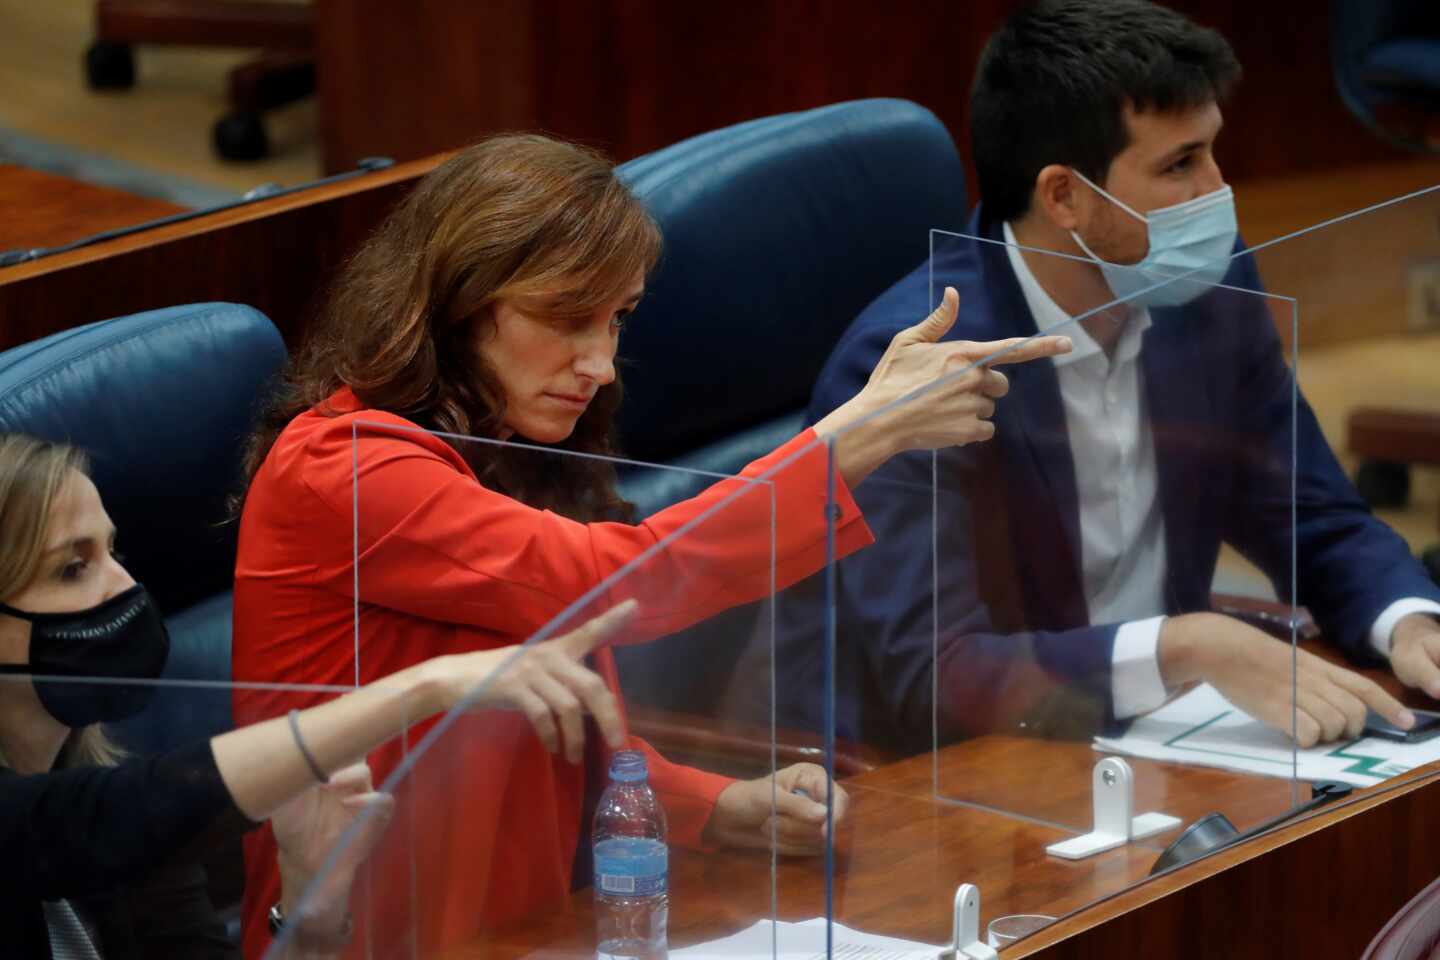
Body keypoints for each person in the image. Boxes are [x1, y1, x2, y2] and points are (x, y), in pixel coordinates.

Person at [229, 133, 1069, 956]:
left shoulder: (504, 442)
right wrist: (852, 438)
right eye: (565, 317)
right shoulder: (338, 467)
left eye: (618, 318)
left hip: (526, 925)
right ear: (456, 299)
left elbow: (552, 725)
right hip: (363, 935)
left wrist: (713, 804)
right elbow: (611, 583)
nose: (599, 362)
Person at [780, 0, 1440, 756]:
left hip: (1171, 735)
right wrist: (1182, 647)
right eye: (1180, 165)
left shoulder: (1209, 291)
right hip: (963, 772)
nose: (1219, 194)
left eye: (1213, 152)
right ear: (1064, 196)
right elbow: (934, 675)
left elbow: (1311, 513)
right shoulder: (911, 370)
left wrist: (1408, 620)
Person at [0, 432, 657, 958]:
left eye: (114, 551)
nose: (125, 587)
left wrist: (309, 914)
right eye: (72, 568)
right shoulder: (115, 815)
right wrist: (427, 686)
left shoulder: (124, 817)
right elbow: (100, 820)